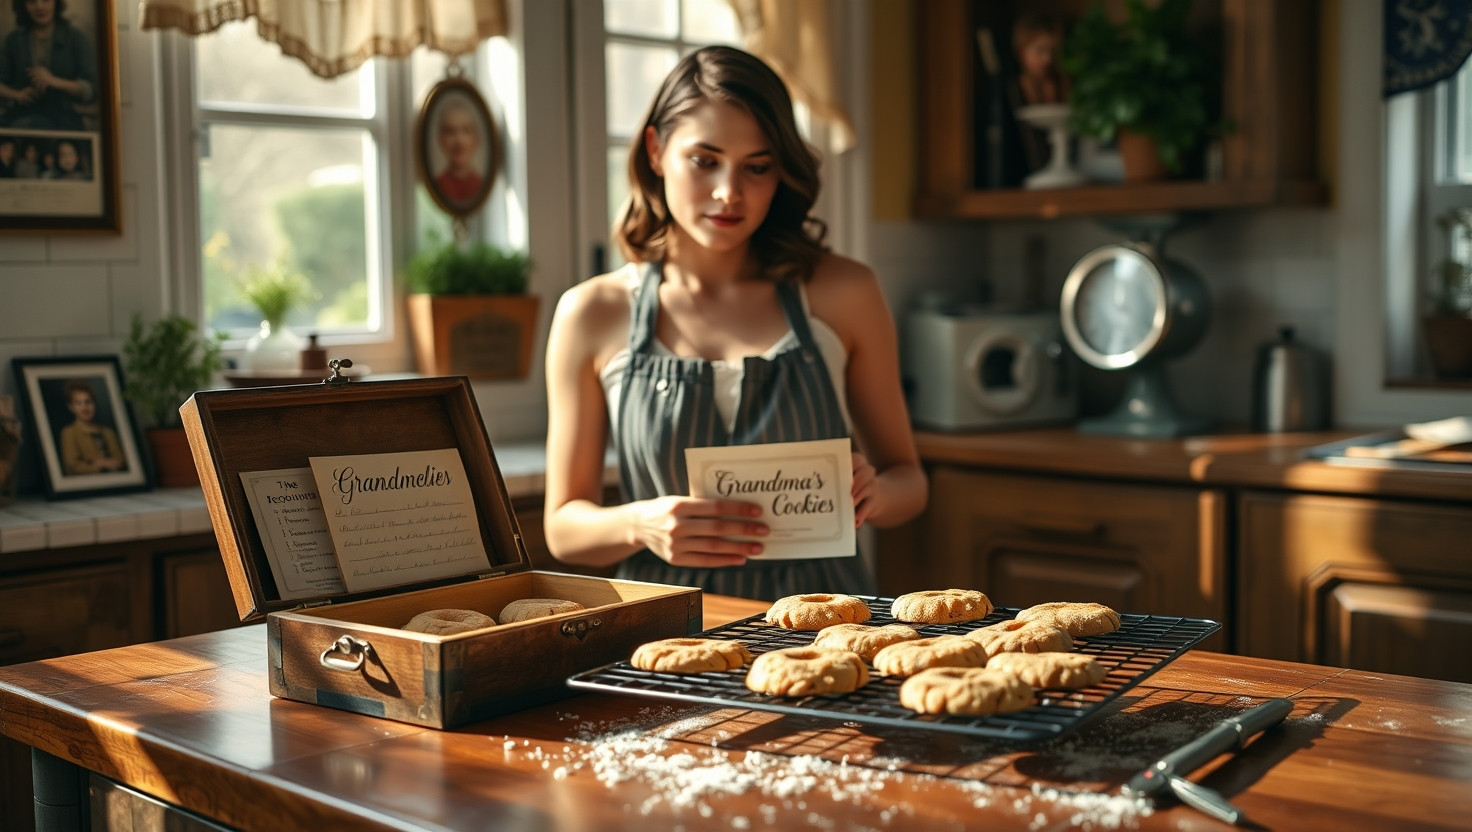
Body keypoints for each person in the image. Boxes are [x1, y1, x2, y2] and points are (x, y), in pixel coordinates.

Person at [542, 46, 927, 601]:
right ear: (655, 150)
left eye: (757, 166)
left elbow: (909, 481)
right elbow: (562, 527)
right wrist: (641, 523)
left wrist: (876, 494)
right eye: (705, 160)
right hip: (665, 631)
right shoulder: (592, 313)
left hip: (823, 624)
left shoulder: (846, 293)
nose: (729, 192)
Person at [0, 0, 98, 131]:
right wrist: (17, 94)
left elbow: (91, 89)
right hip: (21, 118)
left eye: (46, 0)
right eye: (32, 1)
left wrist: (53, 81)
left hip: (66, 120)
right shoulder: (13, 40)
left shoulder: (76, 38)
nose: (39, 7)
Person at [57, 379, 126, 475]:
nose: (84, 408)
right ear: (71, 407)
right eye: (78, 403)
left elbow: (121, 460)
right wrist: (99, 466)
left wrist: (100, 462)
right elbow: (72, 466)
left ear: (94, 404)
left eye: (88, 402)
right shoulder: (69, 432)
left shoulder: (108, 432)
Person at [432, 98, 484, 206]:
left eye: (466, 130)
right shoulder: (437, 185)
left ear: (476, 138)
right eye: (450, 131)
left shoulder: (481, 185)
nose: (459, 140)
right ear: (440, 139)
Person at [1013, 12, 1068, 106]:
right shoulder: (1011, 91)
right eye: (1040, 50)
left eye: (1054, 51)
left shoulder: (1066, 85)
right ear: (1021, 52)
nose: (1048, 59)